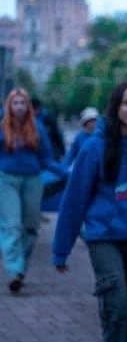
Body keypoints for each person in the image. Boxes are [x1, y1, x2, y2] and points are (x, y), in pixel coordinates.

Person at [52, 82, 127, 342]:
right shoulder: (93, 147)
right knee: (117, 309)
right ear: (115, 107)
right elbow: (74, 201)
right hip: (104, 239)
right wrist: (61, 249)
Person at [0, 88, 65, 293]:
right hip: (6, 179)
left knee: (31, 227)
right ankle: (14, 269)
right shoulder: (2, 126)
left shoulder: (37, 128)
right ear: (9, 106)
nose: (19, 107)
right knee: (11, 226)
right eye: (15, 103)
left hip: (32, 180)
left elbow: (46, 158)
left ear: (28, 106)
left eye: (22, 103)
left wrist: (67, 173)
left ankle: (20, 271)